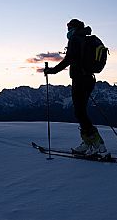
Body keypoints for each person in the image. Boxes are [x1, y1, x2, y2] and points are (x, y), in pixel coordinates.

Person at [44, 19, 107, 155]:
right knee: (81, 112)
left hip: (80, 80)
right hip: (88, 79)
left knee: (80, 113)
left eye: (69, 28)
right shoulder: (86, 39)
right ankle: (89, 142)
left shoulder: (75, 39)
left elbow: (69, 59)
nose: (67, 31)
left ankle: (96, 143)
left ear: (74, 28)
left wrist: (52, 71)